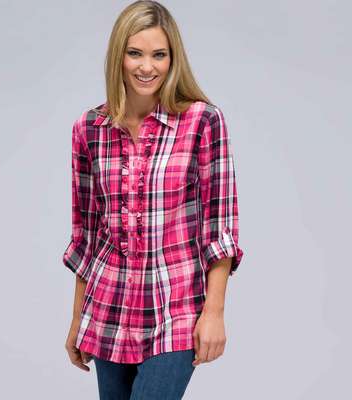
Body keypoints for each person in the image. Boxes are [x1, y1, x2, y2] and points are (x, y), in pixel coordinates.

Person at [63, 1, 244, 398]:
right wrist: (78, 319)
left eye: (159, 55)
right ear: (119, 57)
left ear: (172, 59)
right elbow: (87, 236)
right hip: (109, 308)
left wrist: (214, 312)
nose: (147, 67)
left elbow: (219, 227)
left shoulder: (202, 122)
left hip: (175, 306)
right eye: (135, 53)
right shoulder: (89, 129)